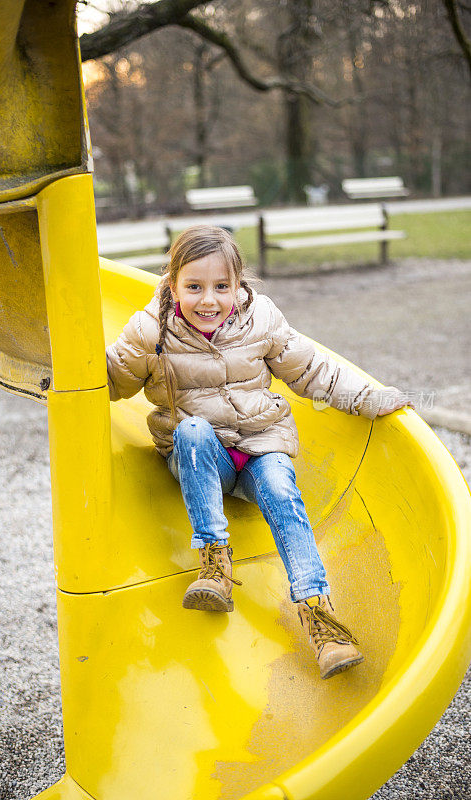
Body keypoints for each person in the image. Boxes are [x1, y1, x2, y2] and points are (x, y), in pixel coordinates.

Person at [106, 225, 412, 680]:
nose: (208, 300)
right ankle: (215, 563)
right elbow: (110, 380)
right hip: (199, 454)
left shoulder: (260, 320)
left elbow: (311, 369)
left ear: (238, 284)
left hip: (259, 445)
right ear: (172, 285)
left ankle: (321, 620)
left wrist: (368, 397)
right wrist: (62, 373)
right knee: (192, 430)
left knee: (281, 491)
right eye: (193, 287)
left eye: (220, 287)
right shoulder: (151, 331)